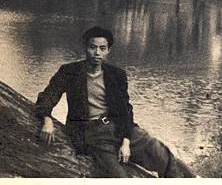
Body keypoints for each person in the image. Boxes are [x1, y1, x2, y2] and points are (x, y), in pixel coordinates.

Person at [35, 26, 194, 178]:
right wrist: (47, 119)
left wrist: (126, 142)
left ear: (108, 51)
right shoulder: (69, 71)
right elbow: (47, 97)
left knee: (161, 155)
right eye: (93, 47)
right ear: (85, 48)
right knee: (118, 177)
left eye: (102, 49)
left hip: (117, 127)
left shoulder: (116, 75)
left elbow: (125, 111)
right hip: (90, 133)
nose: (97, 53)